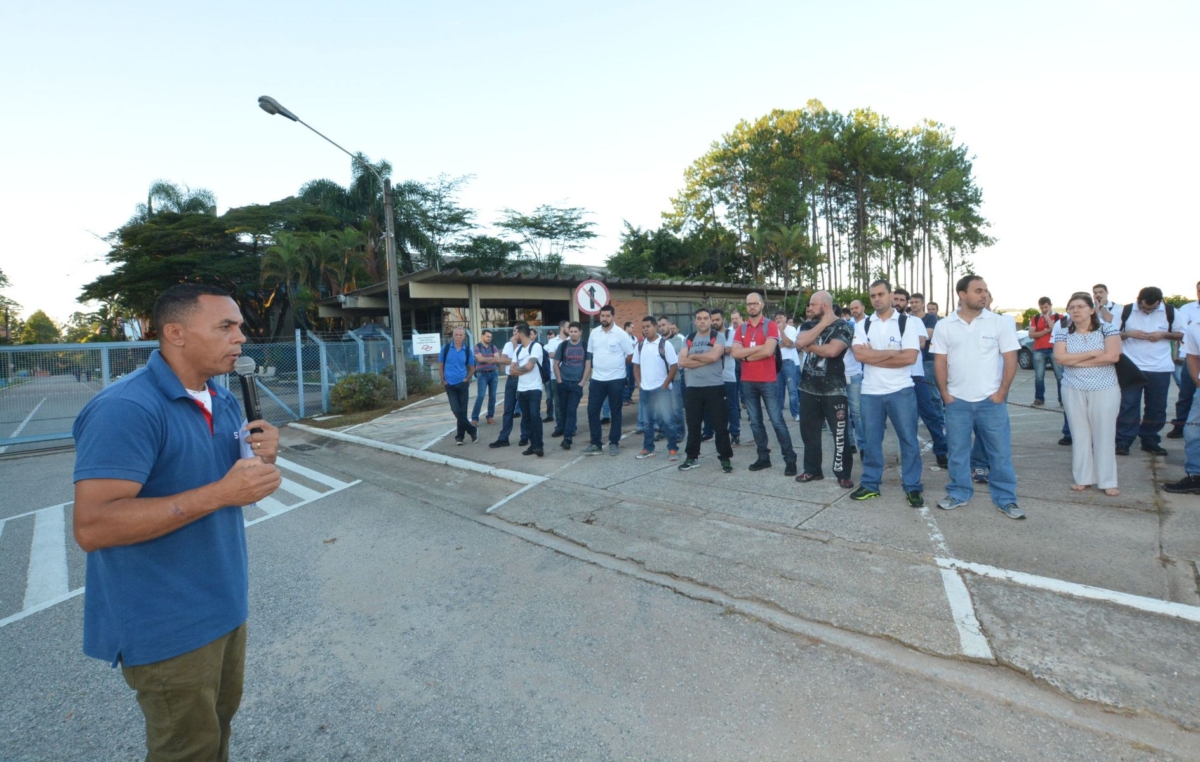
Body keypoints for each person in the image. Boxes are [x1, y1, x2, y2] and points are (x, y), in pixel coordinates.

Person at [72, 283, 283, 761]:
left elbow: (233, 488)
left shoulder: (224, 399)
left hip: (225, 605)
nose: (241, 338)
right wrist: (219, 493)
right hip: (167, 622)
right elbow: (92, 527)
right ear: (176, 333)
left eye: (240, 328)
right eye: (226, 327)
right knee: (187, 749)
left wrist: (263, 457)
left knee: (215, 733)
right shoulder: (125, 409)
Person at [931, 275, 1024, 519]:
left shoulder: (999, 323)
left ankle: (1006, 499)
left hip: (990, 403)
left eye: (985, 290)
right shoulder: (945, 325)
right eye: (978, 290)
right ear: (962, 294)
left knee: (1000, 453)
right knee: (957, 452)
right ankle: (959, 492)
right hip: (957, 403)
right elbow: (939, 362)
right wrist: (945, 394)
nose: (984, 295)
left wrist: (1002, 392)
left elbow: (1010, 358)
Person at [850, 279, 925, 507]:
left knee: (909, 441)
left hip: (901, 391)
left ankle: (912, 487)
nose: (876, 299)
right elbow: (859, 356)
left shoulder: (906, 323)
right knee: (871, 441)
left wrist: (875, 355)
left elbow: (910, 358)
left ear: (890, 295)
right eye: (873, 296)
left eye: (880, 294)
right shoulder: (863, 325)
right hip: (870, 392)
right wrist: (893, 354)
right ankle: (871, 484)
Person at [1054, 292, 1122, 496]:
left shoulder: (1108, 329)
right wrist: (1093, 353)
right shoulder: (1063, 331)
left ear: (1092, 309)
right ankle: (1082, 478)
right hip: (1072, 388)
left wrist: (1074, 360)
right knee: (1079, 434)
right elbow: (1060, 358)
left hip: (1105, 388)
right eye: (1071, 307)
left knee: (1104, 433)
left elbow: (1112, 356)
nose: (1075, 310)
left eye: (1080, 306)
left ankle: (1108, 480)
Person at [793, 291, 855, 487]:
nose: (809, 308)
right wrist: (822, 325)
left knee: (839, 434)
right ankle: (812, 470)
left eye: (812, 304)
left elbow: (833, 350)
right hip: (808, 388)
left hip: (834, 390)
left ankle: (843, 473)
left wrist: (811, 347)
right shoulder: (808, 324)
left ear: (825, 306)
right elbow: (800, 342)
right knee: (809, 433)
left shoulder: (844, 326)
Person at [732, 293, 798, 475]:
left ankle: (790, 458)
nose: (752, 307)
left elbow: (769, 351)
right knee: (755, 423)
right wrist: (755, 350)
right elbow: (734, 353)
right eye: (749, 304)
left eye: (755, 303)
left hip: (768, 381)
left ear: (761, 305)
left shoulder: (770, 325)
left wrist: (746, 354)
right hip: (747, 381)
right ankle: (763, 457)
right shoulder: (742, 328)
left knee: (777, 421)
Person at [1117, 286, 1182, 456]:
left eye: (1151, 309)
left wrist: (1163, 335)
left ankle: (1150, 439)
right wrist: (1128, 333)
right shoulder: (1126, 310)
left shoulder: (1170, 312)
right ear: (1138, 300)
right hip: (1131, 367)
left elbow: (1183, 334)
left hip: (1160, 367)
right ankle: (1123, 440)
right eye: (1144, 308)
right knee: (1128, 405)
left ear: (1159, 302)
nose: (1147, 311)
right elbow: (1111, 335)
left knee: (1157, 407)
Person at [896, 289, 948, 468]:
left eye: (902, 300)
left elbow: (920, 343)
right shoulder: (881, 323)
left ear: (907, 303)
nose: (898, 302)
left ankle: (941, 451)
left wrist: (889, 348)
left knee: (929, 414)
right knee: (901, 420)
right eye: (895, 298)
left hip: (915, 375)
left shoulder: (915, 321)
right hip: (893, 376)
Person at [678, 307, 733, 472]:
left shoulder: (718, 337)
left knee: (720, 426)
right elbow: (682, 361)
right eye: (699, 318)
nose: (702, 321)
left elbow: (714, 357)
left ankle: (725, 458)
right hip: (693, 388)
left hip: (714, 387)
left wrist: (693, 356)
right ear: (695, 321)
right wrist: (705, 358)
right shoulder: (688, 338)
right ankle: (691, 457)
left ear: (710, 320)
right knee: (693, 425)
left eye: (705, 318)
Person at [584, 304, 634, 456]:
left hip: (616, 380)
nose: (604, 319)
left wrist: (618, 367)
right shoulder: (594, 334)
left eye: (607, 316)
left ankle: (614, 442)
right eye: (602, 316)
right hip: (597, 379)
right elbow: (590, 353)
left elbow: (630, 355)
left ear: (613, 317)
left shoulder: (620, 334)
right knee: (592, 410)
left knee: (615, 411)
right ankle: (595, 443)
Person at [634, 316, 680, 460]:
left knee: (668, 420)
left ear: (655, 327)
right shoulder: (640, 345)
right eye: (643, 327)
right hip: (646, 390)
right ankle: (648, 448)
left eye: (648, 326)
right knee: (647, 422)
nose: (645, 329)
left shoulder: (665, 344)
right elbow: (636, 366)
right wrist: (639, 384)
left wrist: (665, 384)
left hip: (662, 390)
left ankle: (672, 449)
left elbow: (674, 366)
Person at [1164, 312, 1200, 494]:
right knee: (1193, 431)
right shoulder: (1196, 326)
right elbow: (1192, 357)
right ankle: (1196, 476)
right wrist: (1198, 383)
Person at [1168, 280, 1200, 439]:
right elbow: (1185, 330)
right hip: (1192, 356)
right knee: (1186, 394)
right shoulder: (1188, 308)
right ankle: (1180, 425)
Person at [511, 324, 546, 457]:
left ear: (520, 334)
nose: (514, 336)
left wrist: (518, 370)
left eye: (515, 334)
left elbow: (530, 366)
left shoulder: (535, 347)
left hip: (534, 389)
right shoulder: (518, 350)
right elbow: (511, 370)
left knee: (535, 416)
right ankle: (532, 444)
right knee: (526, 418)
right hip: (521, 389)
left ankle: (539, 445)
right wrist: (520, 369)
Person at [440, 327, 478, 445]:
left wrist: (466, 379)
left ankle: (460, 437)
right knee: (455, 410)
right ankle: (472, 429)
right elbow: (441, 365)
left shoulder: (467, 351)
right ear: (452, 336)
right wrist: (444, 380)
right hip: (449, 384)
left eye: (460, 335)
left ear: (464, 337)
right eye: (456, 335)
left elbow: (472, 368)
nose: (458, 337)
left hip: (462, 384)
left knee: (463, 411)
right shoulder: (445, 348)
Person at [709, 308, 741, 447]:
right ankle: (720, 433)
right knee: (716, 407)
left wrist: (714, 351)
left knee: (731, 406)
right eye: (713, 320)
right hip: (713, 377)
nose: (714, 322)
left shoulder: (730, 333)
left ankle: (735, 433)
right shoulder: (709, 335)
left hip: (728, 376)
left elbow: (730, 350)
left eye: (717, 319)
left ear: (723, 320)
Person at [554, 321, 587, 450]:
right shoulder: (563, 346)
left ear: (580, 332)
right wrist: (559, 380)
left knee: (571, 410)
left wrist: (583, 382)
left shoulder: (585, 346)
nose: (573, 334)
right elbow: (556, 364)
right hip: (563, 383)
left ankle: (568, 437)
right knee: (563, 411)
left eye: (575, 331)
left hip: (577, 384)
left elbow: (588, 364)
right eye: (571, 331)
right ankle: (565, 433)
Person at [488, 332, 526, 448]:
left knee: (525, 410)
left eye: (517, 332)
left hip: (522, 380)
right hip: (510, 379)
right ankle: (503, 438)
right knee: (508, 409)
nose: (515, 335)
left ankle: (525, 436)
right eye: (514, 332)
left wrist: (514, 346)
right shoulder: (508, 344)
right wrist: (510, 360)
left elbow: (519, 361)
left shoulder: (525, 346)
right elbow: (502, 360)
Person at [1028, 297, 1064, 407]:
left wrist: (1048, 317)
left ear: (1051, 305)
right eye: (1042, 307)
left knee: (1060, 376)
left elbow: (1057, 331)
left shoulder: (1060, 317)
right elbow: (1031, 334)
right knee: (1039, 376)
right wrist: (1047, 331)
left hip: (1055, 349)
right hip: (1039, 349)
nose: (1044, 309)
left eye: (1046, 307)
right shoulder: (1036, 318)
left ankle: (1062, 399)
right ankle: (1039, 398)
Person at [845, 300, 867, 454]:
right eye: (851, 308)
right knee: (842, 413)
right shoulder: (847, 325)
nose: (854, 310)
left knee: (857, 412)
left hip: (855, 374)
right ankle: (849, 444)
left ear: (863, 308)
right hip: (839, 377)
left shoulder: (871, 323)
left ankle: (863, 446)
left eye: (856, 307)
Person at [774, 310, 801, 422]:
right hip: (777, 363)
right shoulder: (773, 330)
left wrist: (781, 331)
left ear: (785, 318)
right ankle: (778, 414)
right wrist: (784, 344)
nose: (779, 320)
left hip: (789, 362)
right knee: (779, 390)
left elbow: (790, 343)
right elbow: (773, 346)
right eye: (776, 319)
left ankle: (795, 413)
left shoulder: (791, 329)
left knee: (792, 390)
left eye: (780, 317)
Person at [471, 329, 500, 425]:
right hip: (482, 374)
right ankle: (475, 419)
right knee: (481, 396)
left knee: (493, 396)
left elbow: (498, 359)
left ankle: (490, 417)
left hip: (493, 374)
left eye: (490, 337)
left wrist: (485, 359)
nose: (489, 338)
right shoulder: (477, 347)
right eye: (487, 336)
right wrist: (491, 359)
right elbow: (479, 358)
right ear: (482, 336)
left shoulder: (493, 347)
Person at [545, 321, 569, 433]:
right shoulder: (553, 341)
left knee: (570, 403)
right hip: (556, 375)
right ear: (562, 327)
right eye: (568, 327)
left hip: (570, 375)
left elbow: (555, 354)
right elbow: (550, 354)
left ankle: (570, 427)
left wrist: (559, 354)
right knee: (558, 403)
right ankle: (560, 427)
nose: (570, 329)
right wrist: (567, 354)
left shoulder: (572, 340)